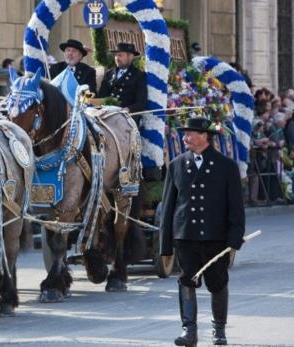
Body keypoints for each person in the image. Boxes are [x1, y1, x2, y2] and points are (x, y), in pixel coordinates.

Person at [160, 117, 245, 346]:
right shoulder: (176, 165)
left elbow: (235, 206)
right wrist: (165, 243)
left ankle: (219, 330)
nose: (185, 138)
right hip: (186, 235)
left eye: (190, 133)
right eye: (185, 133)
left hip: (215, 237)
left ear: (205, 136)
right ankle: (189, 331)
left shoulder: (226, 166)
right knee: (187, 281)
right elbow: (169, 207)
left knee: (218, 282)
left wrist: (235, 237)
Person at [96, 42, 147, 115]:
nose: (117, 58)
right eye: (116, 55)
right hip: (106, 114)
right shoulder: (109, 73)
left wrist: (127, 109)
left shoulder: (138, 75)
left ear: (130, 57)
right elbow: (101, 96)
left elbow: (141, 102)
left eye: (120, 55)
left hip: (127, 115)